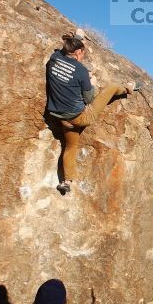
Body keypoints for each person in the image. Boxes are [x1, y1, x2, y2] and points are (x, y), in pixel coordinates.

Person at [45, 30, 134, 194]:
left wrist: (77, 38)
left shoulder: (55, 58)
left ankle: (66, 181)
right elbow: (89, 98)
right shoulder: (80, 71)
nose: (83, 57)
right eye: (82, 53)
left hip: (59, 116)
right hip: (80, 117)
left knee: (71, 146)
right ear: (78, 52)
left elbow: (64, 49)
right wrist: (92, 82)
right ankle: (129, 88)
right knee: (112, 87)